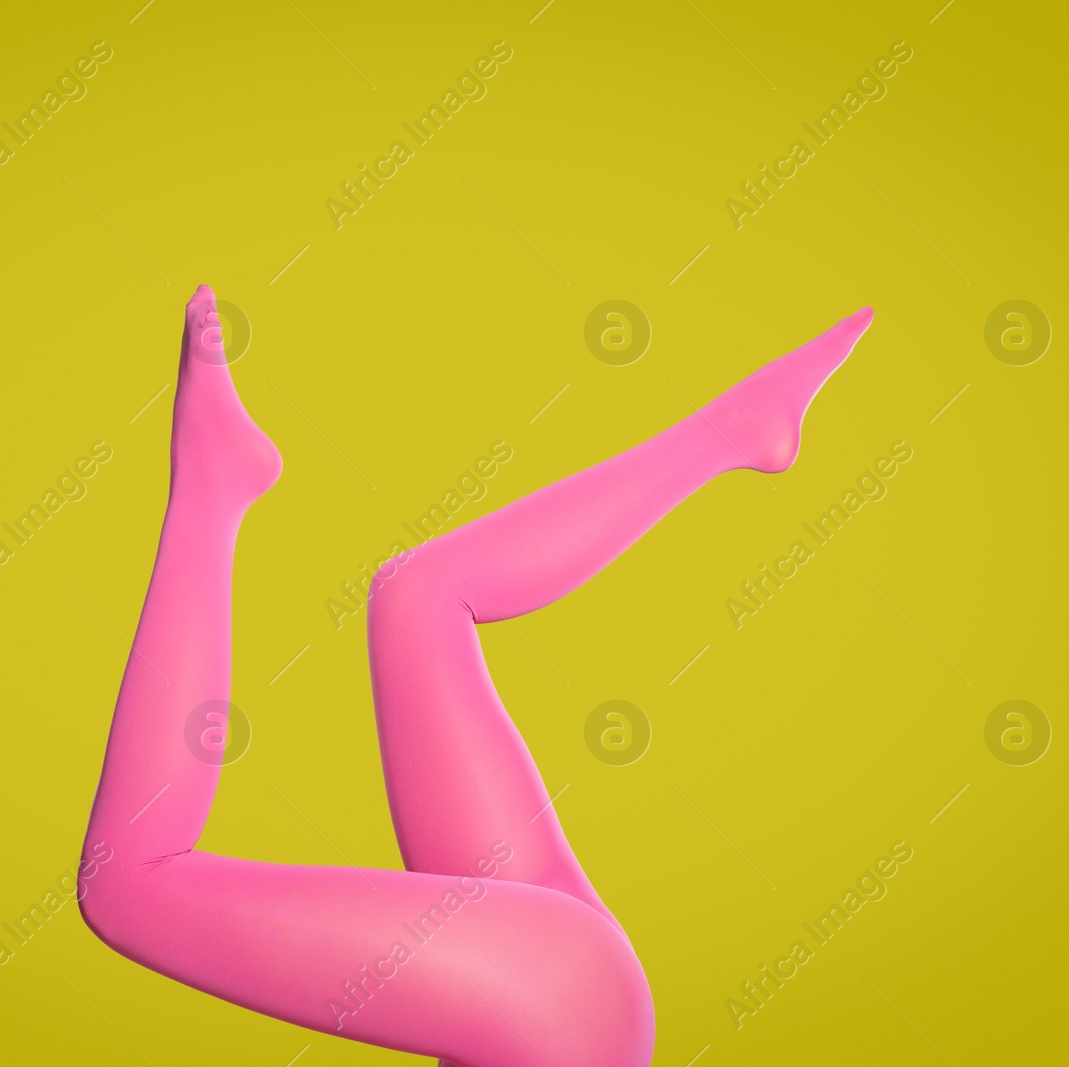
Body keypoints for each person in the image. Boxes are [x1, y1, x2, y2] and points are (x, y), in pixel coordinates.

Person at [78, 286, 873, 1066]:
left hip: (568, 998)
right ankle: (211, 488)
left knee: (418, 596)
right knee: (128, 885)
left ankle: (732, 432)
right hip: (547, 1016)